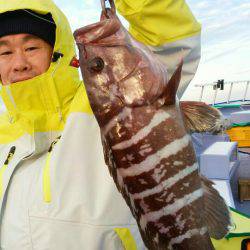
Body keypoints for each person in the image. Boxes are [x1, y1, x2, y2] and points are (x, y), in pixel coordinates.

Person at [0, 0, 201, 249]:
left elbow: (170, 40)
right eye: (5, 52)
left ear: (57, 53)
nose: (19, 63)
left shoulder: (103, 103)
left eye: (31, 47)